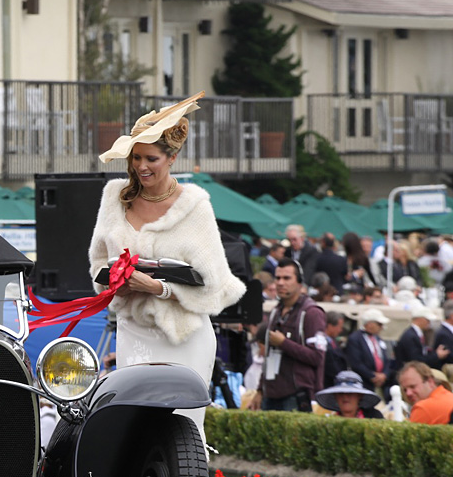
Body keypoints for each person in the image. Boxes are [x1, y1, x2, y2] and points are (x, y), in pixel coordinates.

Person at [87, 91, 245, 436]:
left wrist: (158, 287)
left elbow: (214, 282)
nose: (141, 166)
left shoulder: (195, 206)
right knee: (134, 424)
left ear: (171, 158)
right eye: (136, 158)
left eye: (151, 158)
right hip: (133, 331)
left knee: (183, 429)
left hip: (184, 335)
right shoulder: (114, 197)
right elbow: (97, 263)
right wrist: (115, 281)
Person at [249, 259, 327, 412]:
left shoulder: (312, 313)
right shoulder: (275, 312)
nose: (280, 283)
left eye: (286, 278)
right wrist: (260, 390)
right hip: (270, 395)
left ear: (299, 283)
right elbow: (268, 357)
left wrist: (284, 343)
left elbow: (318, 357)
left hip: (296, 397)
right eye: (277, 278)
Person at [344, 307, 393, 400]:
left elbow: (386, 359)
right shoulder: (355, 339)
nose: (381, 327)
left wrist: (384, 375)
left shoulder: (379, 339)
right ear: (369, 324)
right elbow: (356, 363)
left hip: (381, 384)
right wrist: (372, 376)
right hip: (364, 383)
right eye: (379, 324)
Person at [394, 305, 445, 373]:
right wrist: (436, 356)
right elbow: (416, 360)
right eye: (427, 320)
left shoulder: (416, 334)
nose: (429, 322)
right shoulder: (410, 336)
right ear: (420, 319)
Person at [314, 370, 384, 419]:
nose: (345, 397)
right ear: (335, 396)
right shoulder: (328, 423)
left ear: (359, 395)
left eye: (350, 393)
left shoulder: (375, 417)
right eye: (341, 393)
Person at [323, 310, 348, 389]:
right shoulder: (322, 343)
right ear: (330, 326)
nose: (340, 330)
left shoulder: (334, 341)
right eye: (339, 327)